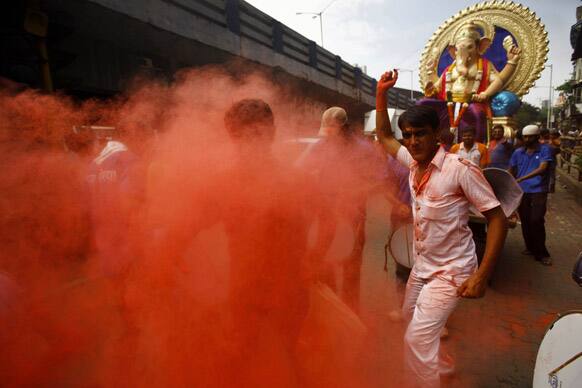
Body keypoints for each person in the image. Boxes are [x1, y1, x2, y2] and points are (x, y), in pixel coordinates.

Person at [376, 69, 508, 387]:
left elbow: (497, 218)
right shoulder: (411, 161)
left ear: (438, 132)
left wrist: (481, 276)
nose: (412, 141)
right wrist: (380, 94)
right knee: (412, 321)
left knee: (416, 341)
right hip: (423, 268)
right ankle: (441, 363)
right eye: (407, 134)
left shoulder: (459, 169)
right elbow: (383, 137)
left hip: (451, 271)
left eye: (419, 133)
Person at [298, 107, 385, 312]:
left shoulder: (364, 150)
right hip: (326, 216)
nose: (329, 138)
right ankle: (329, 309)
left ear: (344, 128)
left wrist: (354, 191)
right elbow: (301, 170)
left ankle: (350, 310)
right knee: (323, 262)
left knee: (351, 267)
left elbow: (380, 181)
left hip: (354, 217)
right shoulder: (322, 146)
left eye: (333, 132)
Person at [509, 124, 553, 265]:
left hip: (538, 189)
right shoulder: (518, 152)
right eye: (525, 136)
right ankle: (530, 247)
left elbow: (543, 168)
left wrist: (522, 178)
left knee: (536, 220)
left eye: (530, 136)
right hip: (522, 190)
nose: (527, 139)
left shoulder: (545, 150)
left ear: (537, 137)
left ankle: (542, 253)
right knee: (526, 220)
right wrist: (504, 180)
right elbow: (511, 169)